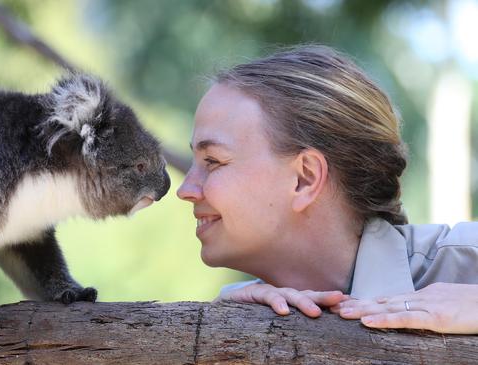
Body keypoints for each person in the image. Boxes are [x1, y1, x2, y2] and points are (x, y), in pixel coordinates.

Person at [176, 45, 478, 334]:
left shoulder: (468, 264)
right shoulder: (240, 311)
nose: (185, 189)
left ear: (305, 178)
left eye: (212, 161)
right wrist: (221, 329)